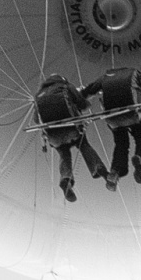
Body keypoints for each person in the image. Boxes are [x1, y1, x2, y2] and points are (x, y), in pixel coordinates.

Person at [33, 72, 110, 202]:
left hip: (53, 135)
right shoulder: (65, 86)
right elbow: (82, 103)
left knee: (64, 154)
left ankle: (66, 180)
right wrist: (86, 104)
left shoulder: (38, 95)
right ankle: (99, 169)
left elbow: (36, 119)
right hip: (71, 128)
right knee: (83, 145)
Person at [80, 67, 141, 187]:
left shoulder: (104, 77)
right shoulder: (136, 74)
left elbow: (86, 93)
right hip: (132, 114)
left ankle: (115, 171)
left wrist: (80, 93)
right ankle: (139, 157)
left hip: (112, 118)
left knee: (121, 144)